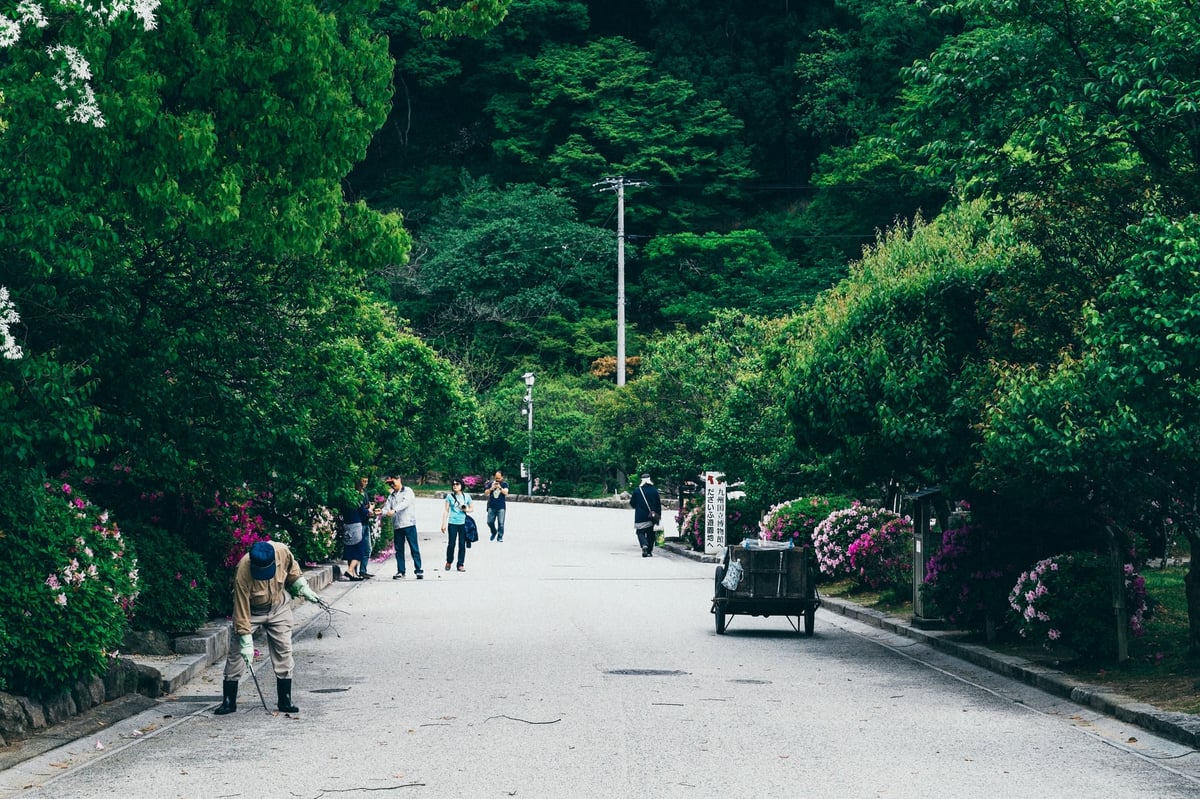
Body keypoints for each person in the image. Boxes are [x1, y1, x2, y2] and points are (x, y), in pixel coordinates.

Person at [214, 540, 321, 715]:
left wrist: (303, 588)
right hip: (252, 611)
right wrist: (246, 641)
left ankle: (285, 699)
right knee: (236, 654)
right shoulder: (243, 570)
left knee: (284, 649)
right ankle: (228, 701)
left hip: (278, 606)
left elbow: (293, 571)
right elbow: (240, 609)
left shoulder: (282, 551)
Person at [382, 473, 423, 579]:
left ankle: (418, 570)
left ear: (399, 479)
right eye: (390, 484)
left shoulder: (408, 491)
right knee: (399, 550)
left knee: (414, 548)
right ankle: (401, 571)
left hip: (408, 524)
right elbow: (387, 508)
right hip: (397, 525)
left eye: (393, 482)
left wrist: (394, 510)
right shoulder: (391, 495)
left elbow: (405, 503)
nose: (392, 485)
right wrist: (380, 512)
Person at [441, 477, 473, 571]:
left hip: (463, 523)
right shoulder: (449, 497)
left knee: (462, 544)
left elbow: (472, 508)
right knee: (451, 544)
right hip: (452, 522)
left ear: (461, 485)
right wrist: (443, 524)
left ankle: (460, 564)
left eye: (457, 484)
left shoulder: (466, 496)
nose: (455, 486)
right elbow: (446, 510)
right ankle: (449, 561)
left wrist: (466, 509)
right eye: (453, 484)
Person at [630, 473, 662, 557]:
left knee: (640, 532)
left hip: (640, 516)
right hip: (652, 516)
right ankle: (649, 551)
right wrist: (658, 516)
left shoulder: (637, 490)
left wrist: (638, 506)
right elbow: (658, 504)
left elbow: (632, 503)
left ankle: (644, 544)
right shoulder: (654, 490)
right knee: (651, 534)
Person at [356, 476, 375, 578]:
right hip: (359, 524)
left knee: (367, 549)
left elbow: (366, 506)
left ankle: (363, 570)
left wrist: (370, 509)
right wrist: (369, 509)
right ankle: (354, 571)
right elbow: (362, 509)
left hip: (366, 523)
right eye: (363, 481)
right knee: (358, 548)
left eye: (366, 481)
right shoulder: (357, 493)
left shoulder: (365, 492)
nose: (365, 483)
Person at [485, 469, 509, 541]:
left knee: (501, 523)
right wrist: (491, 488)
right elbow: (486, 493)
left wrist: (500, 487)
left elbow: (506, 493)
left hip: (501, 506)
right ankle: (494, 531)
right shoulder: (491, 483)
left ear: (502, 477)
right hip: (491, 505)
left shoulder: (504, 484)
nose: (497, 480)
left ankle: (500, 536)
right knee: (489, 522)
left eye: (498, 478)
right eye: (496, 478)